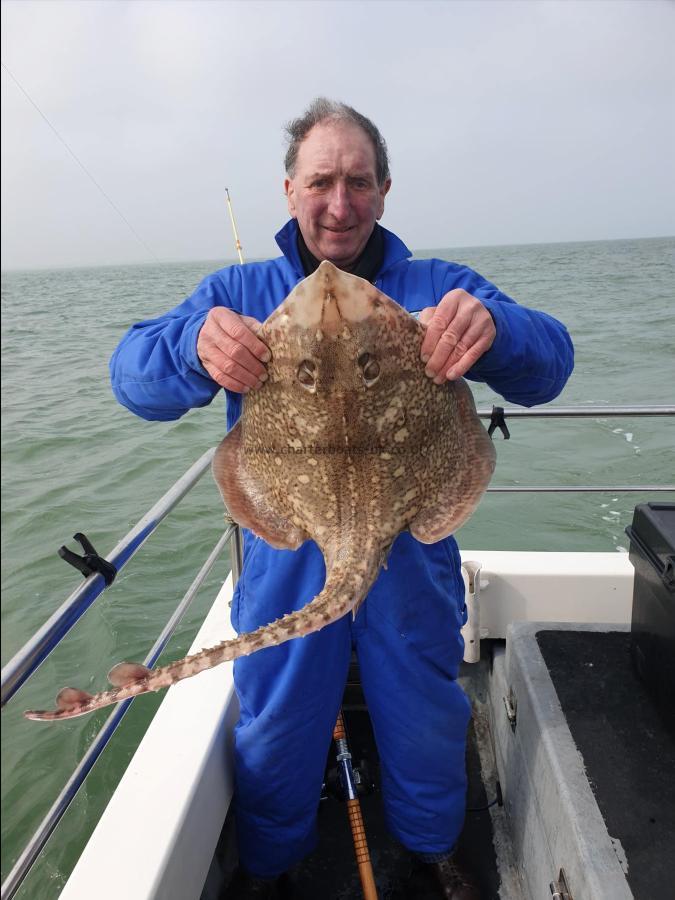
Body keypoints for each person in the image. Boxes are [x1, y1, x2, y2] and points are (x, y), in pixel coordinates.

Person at [110, 98, 574, 900]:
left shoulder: (435, 286)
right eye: (320, 181)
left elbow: (551, 363)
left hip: (410, 550)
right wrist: (193, 345)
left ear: (384, 190)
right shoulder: (242, 288)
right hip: (288, 550)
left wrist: (495, 327)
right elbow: (133, 379)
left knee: (424, 711)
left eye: (358, 182)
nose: (338, 202)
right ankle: (270, 863)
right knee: (280, 718)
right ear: (288, 191)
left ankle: (432, 850)